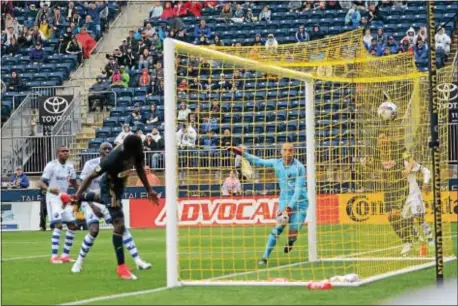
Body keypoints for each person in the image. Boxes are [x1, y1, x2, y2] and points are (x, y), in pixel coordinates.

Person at [72, 135, 160, 280]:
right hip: (109, 189)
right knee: (119, 225)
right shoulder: (112, 159)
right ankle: (121, 268)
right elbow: (90, 177)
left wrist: (149, 189)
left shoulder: (137, 151)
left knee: (113, 216)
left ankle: (78, 198)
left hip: (119, 188)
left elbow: (139, 168)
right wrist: (78, 192)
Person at [228, 143, 307, 264]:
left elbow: (298, 190)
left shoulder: (299, 167)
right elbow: (258, 161)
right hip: (284, 200)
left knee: (293, 231)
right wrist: (241, 153)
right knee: (278, 228)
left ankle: (290, 242)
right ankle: (264, 258)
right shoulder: (277, 163)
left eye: (290, 150)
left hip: (300, 202)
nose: (287, 153)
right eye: (285, 150)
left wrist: (289, 207)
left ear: (294, 152)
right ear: (281, 152)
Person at [39, 145, 79, 264]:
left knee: (72, 226)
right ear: (58, 153)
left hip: (64, 198)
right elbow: (40, 182)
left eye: (67, 151)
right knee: (58, 225)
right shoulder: (51, 165)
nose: (65, 153)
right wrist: (50, 190)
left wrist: (82, 192)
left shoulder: (70, 166)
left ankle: (65, 255)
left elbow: (74, 183)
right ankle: (54, 257)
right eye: (63, 151)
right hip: (53, 198)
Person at [400, 151, 434, 253]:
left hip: (414, 195)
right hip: (403, 197)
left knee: (420, 219)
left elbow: (427, 171)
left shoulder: (409, 164)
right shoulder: (392, 167)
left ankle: (431, 242)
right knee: (405, 221)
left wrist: (426, 183)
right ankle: (419, 240)